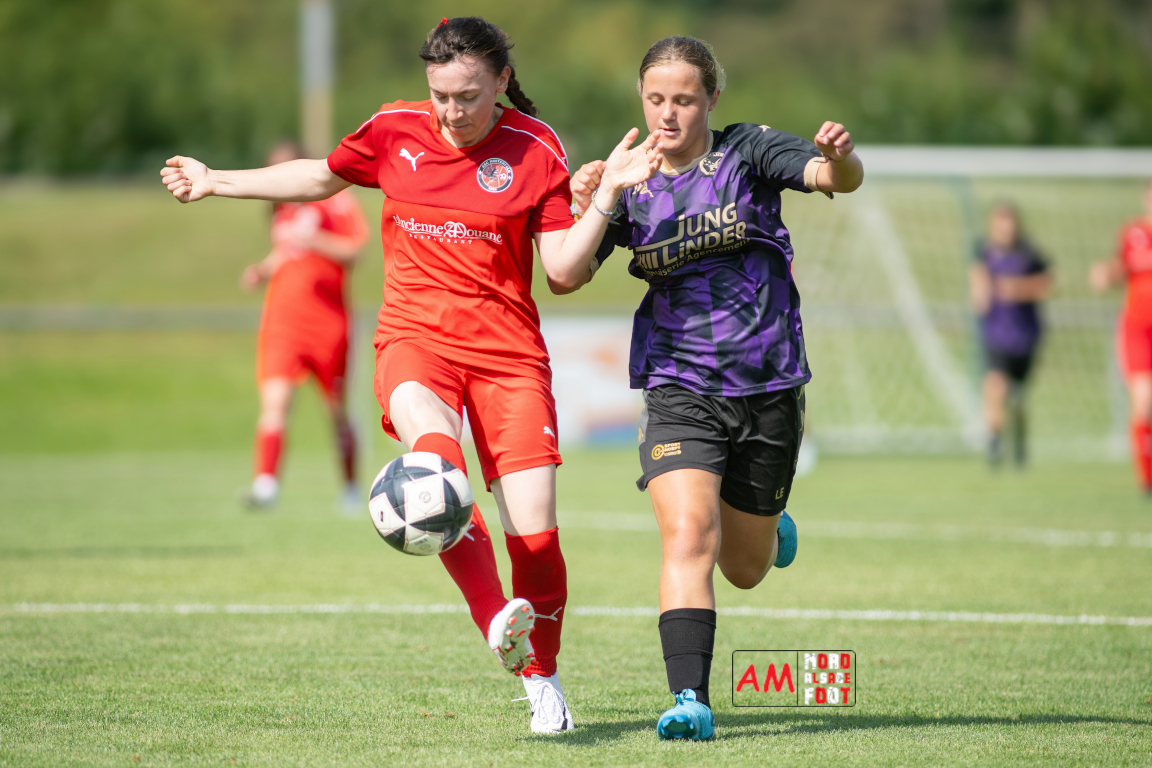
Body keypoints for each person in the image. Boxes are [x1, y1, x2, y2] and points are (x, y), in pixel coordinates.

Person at [161, 16, 661, 733]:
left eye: (467, 96)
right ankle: (494, 616)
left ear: (501, 82)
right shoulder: (394, 128)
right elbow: (319, 176)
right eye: (440, 95)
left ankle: (542, 679)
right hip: (414, 340)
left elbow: (561, 272)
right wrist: (217, 181)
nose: (451, 111)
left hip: (508, 358)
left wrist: (607, 195)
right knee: (434, 471)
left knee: (537, 542)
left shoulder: (536, 149)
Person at [568, 36, 863, 739]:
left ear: (711, 98)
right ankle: (689, 699)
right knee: (687, 533)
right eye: (655, 99)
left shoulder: (747, 152)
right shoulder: (630, 179)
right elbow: (566, 272)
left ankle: (764, 521)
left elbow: (833, 178)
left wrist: (842, 159)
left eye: (684, 99)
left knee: (745, 568)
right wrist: (595, 198)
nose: (668, 114)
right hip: (678, 383)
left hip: (767, 385)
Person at [241, 141, 369, 510]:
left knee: (337, 411)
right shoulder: (281, 210)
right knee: (275, 403)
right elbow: (285, 252)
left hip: (328, 322)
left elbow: (355, 250)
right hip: (283, 320)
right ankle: (266, 485)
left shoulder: (334, 199)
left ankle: (350, 489)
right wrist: (263, 270)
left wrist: (317, 240)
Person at [969, 203, 1053, 468]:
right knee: (995, 386)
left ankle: (1018, 441)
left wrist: (1017, 289)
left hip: (1025, 336)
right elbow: (978, 284)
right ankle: (994, 442)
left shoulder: (1029, 254)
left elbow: (1047, 283)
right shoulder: (984, 253)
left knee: (1016, 397)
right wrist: (980, 293)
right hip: (996, 333)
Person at [1091, 179, 1152, 493]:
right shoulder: (1133, 233)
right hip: (1138, 329)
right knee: (1143, 401)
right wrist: (1106, 275)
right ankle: (1147, 479)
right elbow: (1121, 268)